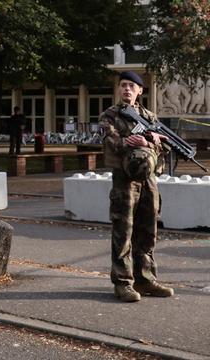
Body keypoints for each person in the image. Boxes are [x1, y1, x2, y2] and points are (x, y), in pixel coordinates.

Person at [99, 71, 174, 302]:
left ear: (140, 90)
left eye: (132, 86)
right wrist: (128, 140)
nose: (127, 89)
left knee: (148, 229)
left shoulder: (150, 117)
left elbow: (167, 147)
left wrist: (152, 140)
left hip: (149, 178)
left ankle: (146, 280)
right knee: (124, 229)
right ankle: (123, 283)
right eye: (123, 85)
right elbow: (109, 140)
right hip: (124, 179)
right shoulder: (110, 115)